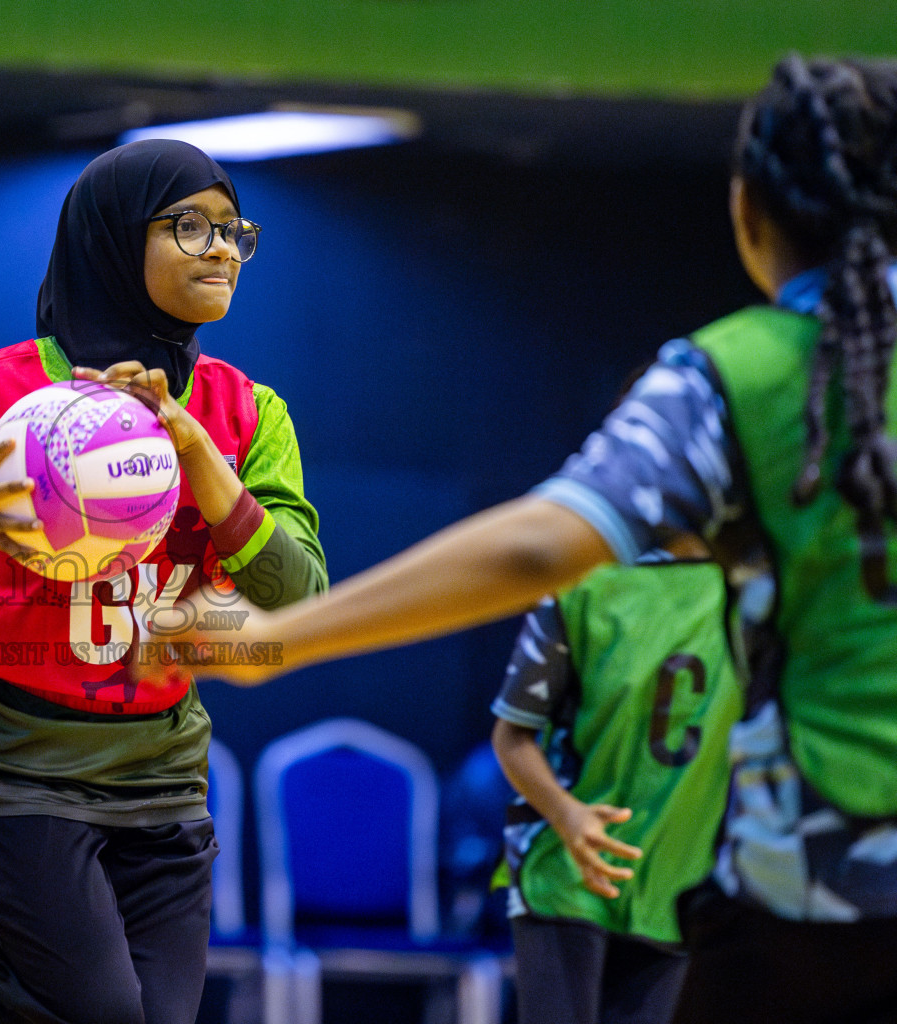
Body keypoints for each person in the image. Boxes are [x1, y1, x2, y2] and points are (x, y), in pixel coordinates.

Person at [141, 53, 897, 1022]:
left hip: (809, 917)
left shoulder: (741, 377)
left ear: (748, 212)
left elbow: (540, 544)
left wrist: (270, 638)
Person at [0, 138, 327, 1024]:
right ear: (115, 238)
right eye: (190, 225)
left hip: (161, 771)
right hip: (7, 764)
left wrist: (204, 465)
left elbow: (302, 603)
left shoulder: (249, 412)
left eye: (234, 230)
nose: (222, 250)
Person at [490, 549, 742, 1024]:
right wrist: (566, 813)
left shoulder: (753, 595)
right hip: (564, 871)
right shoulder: (584, 582)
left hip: (677, 878)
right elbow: (511, 735)